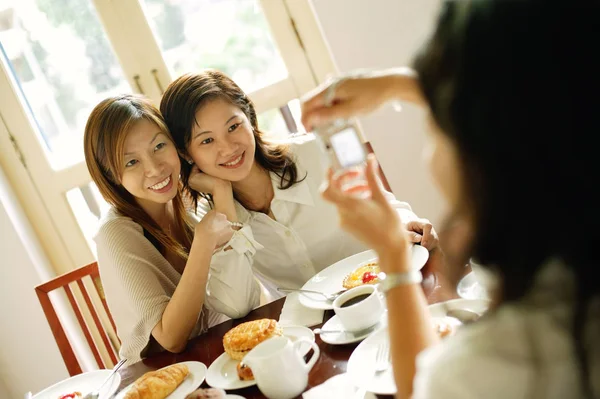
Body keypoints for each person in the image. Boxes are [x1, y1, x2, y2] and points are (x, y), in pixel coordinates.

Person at [302, 1, 600, 398]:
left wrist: (393, 256)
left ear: (479, 154)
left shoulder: (501, 365)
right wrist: (396, 84)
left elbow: (418, 389)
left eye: (437, 123)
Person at [159, 70, 440, 302]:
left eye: (233, 127)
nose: (228, 148)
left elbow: (382, 204)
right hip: (316, 334)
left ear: (249, 117)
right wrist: (223, 199)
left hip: (387, 292)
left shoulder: (312, 153)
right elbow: (236, 305)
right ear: (186, 154)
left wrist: (408, 223)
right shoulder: (208, 218)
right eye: (207, 141)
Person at [83, 95, 261, 363]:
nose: (155, 169)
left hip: (215, 358)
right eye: (131, 162)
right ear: (111, 175)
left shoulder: (183, 200)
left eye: (159, 146)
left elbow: (237, 297)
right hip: (159, 378)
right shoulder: (115, 233)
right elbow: (172, 339)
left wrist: (221, 189)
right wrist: (203, 242)